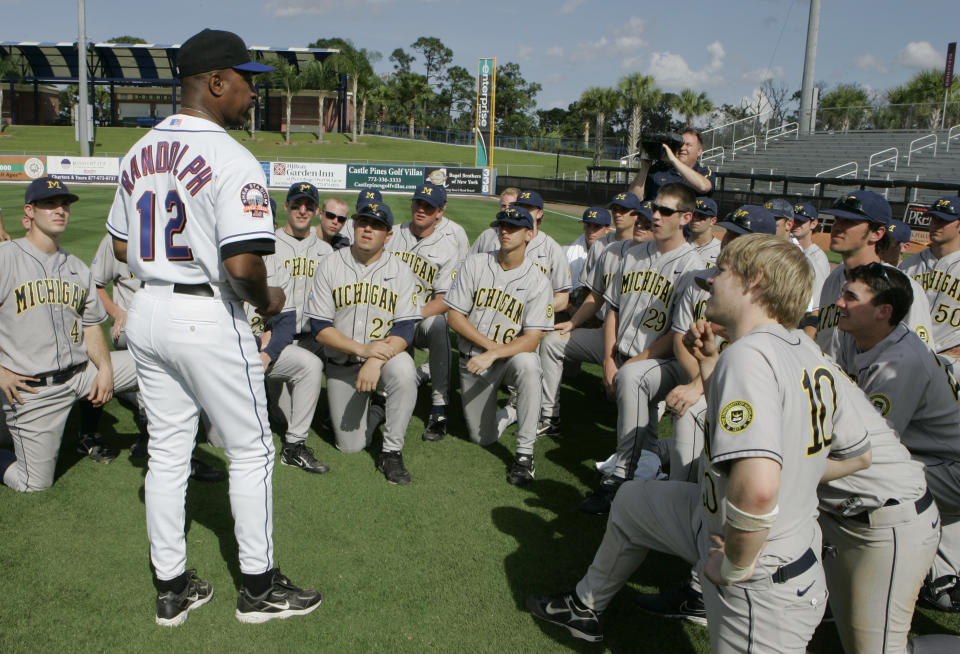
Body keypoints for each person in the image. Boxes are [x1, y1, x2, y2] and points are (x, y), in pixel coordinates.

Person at [527, 234, 872, 650]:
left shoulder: (750, 356)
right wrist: (709, 363)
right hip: (739, 528)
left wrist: (734, 563)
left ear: (755, 282)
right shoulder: (805, 349)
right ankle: (585, 608)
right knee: (634, 503)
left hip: (759, 570)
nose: (711, 281)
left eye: (723, 271)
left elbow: (760, 491)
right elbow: (858, 454)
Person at [105, 29, 321, 626]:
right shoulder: (231, 155)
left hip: (146, 308)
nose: (254, 92)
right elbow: (243, 264)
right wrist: (268, 296)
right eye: (246, 80)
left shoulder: (138, 150)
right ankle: (258, 588)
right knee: (252, 450)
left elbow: (122, 245)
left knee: (169, 451)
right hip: (205, 310)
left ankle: (172, 587)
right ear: (216, 82)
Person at [634, 205, 778, 624]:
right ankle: (677, 504)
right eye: (730, 234)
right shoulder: (720, 281)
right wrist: (702, 377)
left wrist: (700, 384)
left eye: (742, 238)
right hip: (721, 389)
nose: (730, 242)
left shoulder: (759, 302)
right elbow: (687, 338)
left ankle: (700, 575)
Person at [833, 263, 960, 614]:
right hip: (929, 457)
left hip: (952, 470)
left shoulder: (901, 360)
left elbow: (872, 447)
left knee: (854, 485)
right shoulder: (861, 336)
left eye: (851, 297)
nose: (840, 303)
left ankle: (855, 582)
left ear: (883, 312)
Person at [0, 177, 140, 491]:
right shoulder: (6, 258)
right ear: (29, 212)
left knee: (159, 366)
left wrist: (104, 369)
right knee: (32, 484)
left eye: (64, 204)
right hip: (35, 390)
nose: (60, 209)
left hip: (81, 373)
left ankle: (160, 447)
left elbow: (91, 325)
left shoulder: (77, 267)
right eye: (49, 204)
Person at [579, 182, 704, 514]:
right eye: (654, 209)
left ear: (686, 217)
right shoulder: (631, 254)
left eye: (665, 211)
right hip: (624, 353)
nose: (655, 215)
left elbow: (678, 335)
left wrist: (630, 364)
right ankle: (651, 475)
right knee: (643, 429)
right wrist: (608, 360)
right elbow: (613, 310)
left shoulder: (693, 266)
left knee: (633, 378)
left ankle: (620, 479)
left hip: (669, 360)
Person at [90, 233, 225, 482]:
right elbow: (95, 285)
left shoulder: (176, 230)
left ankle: (151, 422)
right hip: (129, 323)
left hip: (172, 319)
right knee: (164, 360)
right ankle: (165, 441)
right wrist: (117, 311)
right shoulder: (117, 238)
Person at [305, 201, 421, 484]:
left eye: (377, 225)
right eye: (363, 222)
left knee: (405, 372)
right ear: (354, 226)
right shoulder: (332, 264)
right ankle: (377, 411)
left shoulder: (400, 270)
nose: (368, 229)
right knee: (349, 446)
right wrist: (361, 350)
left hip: (384, 359)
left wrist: (374, 358)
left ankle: (391, 452)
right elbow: (320, 327)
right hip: (342, 362)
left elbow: (406, 328)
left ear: (388, 235)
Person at [444, 206, 554, 485]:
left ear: (529, 234)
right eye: (502, 225)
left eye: (513, 227)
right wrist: (489, 348)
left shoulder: (538, 280)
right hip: (474, 360)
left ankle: (525, 455)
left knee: (530, 365)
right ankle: (512, 411)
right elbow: (454, 317)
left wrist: (494, 353)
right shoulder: (476, 264)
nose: (504, 231)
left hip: (509, 359)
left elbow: (532, 339)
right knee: (483, 438)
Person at [537, 194, 645, 438]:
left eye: (625, 211)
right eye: (615, 209)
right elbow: (594, 296)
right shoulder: (608, 249)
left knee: (630, 405)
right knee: (553, 342)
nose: (619, 213)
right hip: (605, 331)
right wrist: (573, 322)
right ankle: (549, 416)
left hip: (642, 344)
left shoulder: (660, 258)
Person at [812, 191, 932, 354]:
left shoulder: (901, 288)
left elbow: (921, 355)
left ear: (877, 233)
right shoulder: (833, 279)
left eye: (849, 221)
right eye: (837, 219)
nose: (837, 226)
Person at [387, 183, 459, 441]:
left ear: (440, 212)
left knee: (439, 324)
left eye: (429, 206)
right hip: (383, 315)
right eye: (418, 203)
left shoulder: (448, 248)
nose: (421, 209)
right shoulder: (391, 233)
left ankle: (439, 407)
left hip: (420, 317)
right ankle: (373, 396)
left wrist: (411, 317)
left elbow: (445, 300)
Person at [900, 197, 960, 361]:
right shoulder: (908, 266)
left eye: (943, 221)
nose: (935, 225)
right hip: (908, 353)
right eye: (934, 218)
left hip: (952, 358)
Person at [627, 127, 715, 201]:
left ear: (699, 151)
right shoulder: (658, 170)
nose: (682, 148)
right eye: (680, 144)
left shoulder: (703, 171)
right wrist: (645, 167)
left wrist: (673, 159)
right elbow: (633, 198)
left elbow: (703, 187)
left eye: (688, 145)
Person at [565, 206, 611, 308]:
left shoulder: (613, 254)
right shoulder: (567, 251)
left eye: (596, 226)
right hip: (570, 306)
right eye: (588, 225)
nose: (591, 230)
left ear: (607, 229)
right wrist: (569, 308)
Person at [688, 197, 720, 265]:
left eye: (701, 216)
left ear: (712, 221)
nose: (695, 218)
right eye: (692, 215)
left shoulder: (721, 251)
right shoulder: (678, 245)